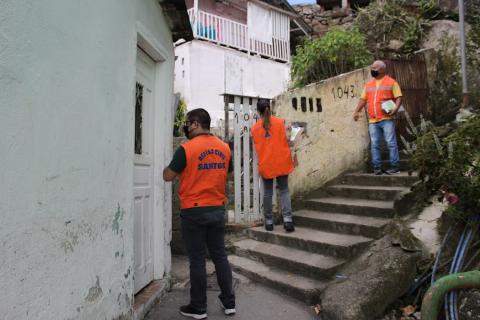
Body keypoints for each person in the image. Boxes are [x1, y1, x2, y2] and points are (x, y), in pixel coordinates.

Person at [163, 108, 235, 319]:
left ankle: (199, 307)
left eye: (187, 122)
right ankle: (229, 302)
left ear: (195, 124)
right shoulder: (224, 148)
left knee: (197, 260)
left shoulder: (186, 149)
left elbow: (167, 176)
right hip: (216, 209)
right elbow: (227, 176)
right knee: (220, 255)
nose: (185, 126)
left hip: (193, 212)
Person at [251, 99, 295, 232]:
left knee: (268, 193)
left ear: (258, 112)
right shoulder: (280, 122)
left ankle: (269, 222)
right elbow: (288, 139)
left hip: (266, 163)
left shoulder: (254, 128)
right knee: (284, 191)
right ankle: (287, 220)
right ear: (270, 108)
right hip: (281, 161)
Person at [352, 60, 403, 175]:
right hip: (373, 120)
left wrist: (396, 109)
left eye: (374, 69)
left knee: (391, 142)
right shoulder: (369, 85)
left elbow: (399, 97)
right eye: (372, 68)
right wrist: (356, 111)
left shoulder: (391, 82)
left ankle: (395, 167)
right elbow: (363, 99)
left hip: (387, 119)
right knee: (375, 144)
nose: (372, 71)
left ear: (382, 70)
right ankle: (377, 168)